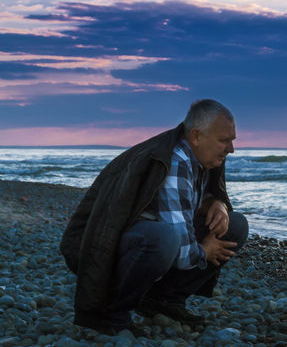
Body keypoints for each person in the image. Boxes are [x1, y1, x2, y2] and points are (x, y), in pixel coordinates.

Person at [60, 99, 249, 334]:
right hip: (98, 250)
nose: (231, 148)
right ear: (197, 135)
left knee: (235, 224)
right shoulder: (173, 161)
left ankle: (163, 301)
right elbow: (182, 250)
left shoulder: (198, 156)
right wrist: (205, 251)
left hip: (141, 242)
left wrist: (217, 202)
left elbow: (187, 200)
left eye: (232, 140)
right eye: (224, 140)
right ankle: (111, 313)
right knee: (163, 238)